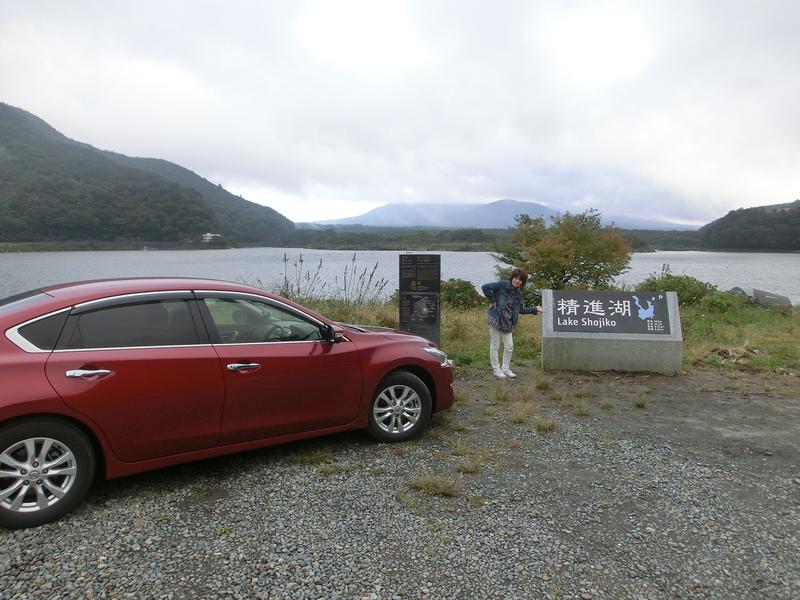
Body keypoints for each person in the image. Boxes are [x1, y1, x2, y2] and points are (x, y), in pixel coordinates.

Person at [481, 267, 545, 379]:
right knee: (495, 344)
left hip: (508, 321)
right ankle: (496, 369)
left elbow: (520, 309)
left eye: (520, 280)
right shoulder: (502, 284)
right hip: (495, 317)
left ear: (522, 282)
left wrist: (535, 308)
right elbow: (485, 287)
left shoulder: (518, 294)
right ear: (512, 278)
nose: (517, 281)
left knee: (509, 346)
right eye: (516, 278)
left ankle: (505, 369)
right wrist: (492, 301)